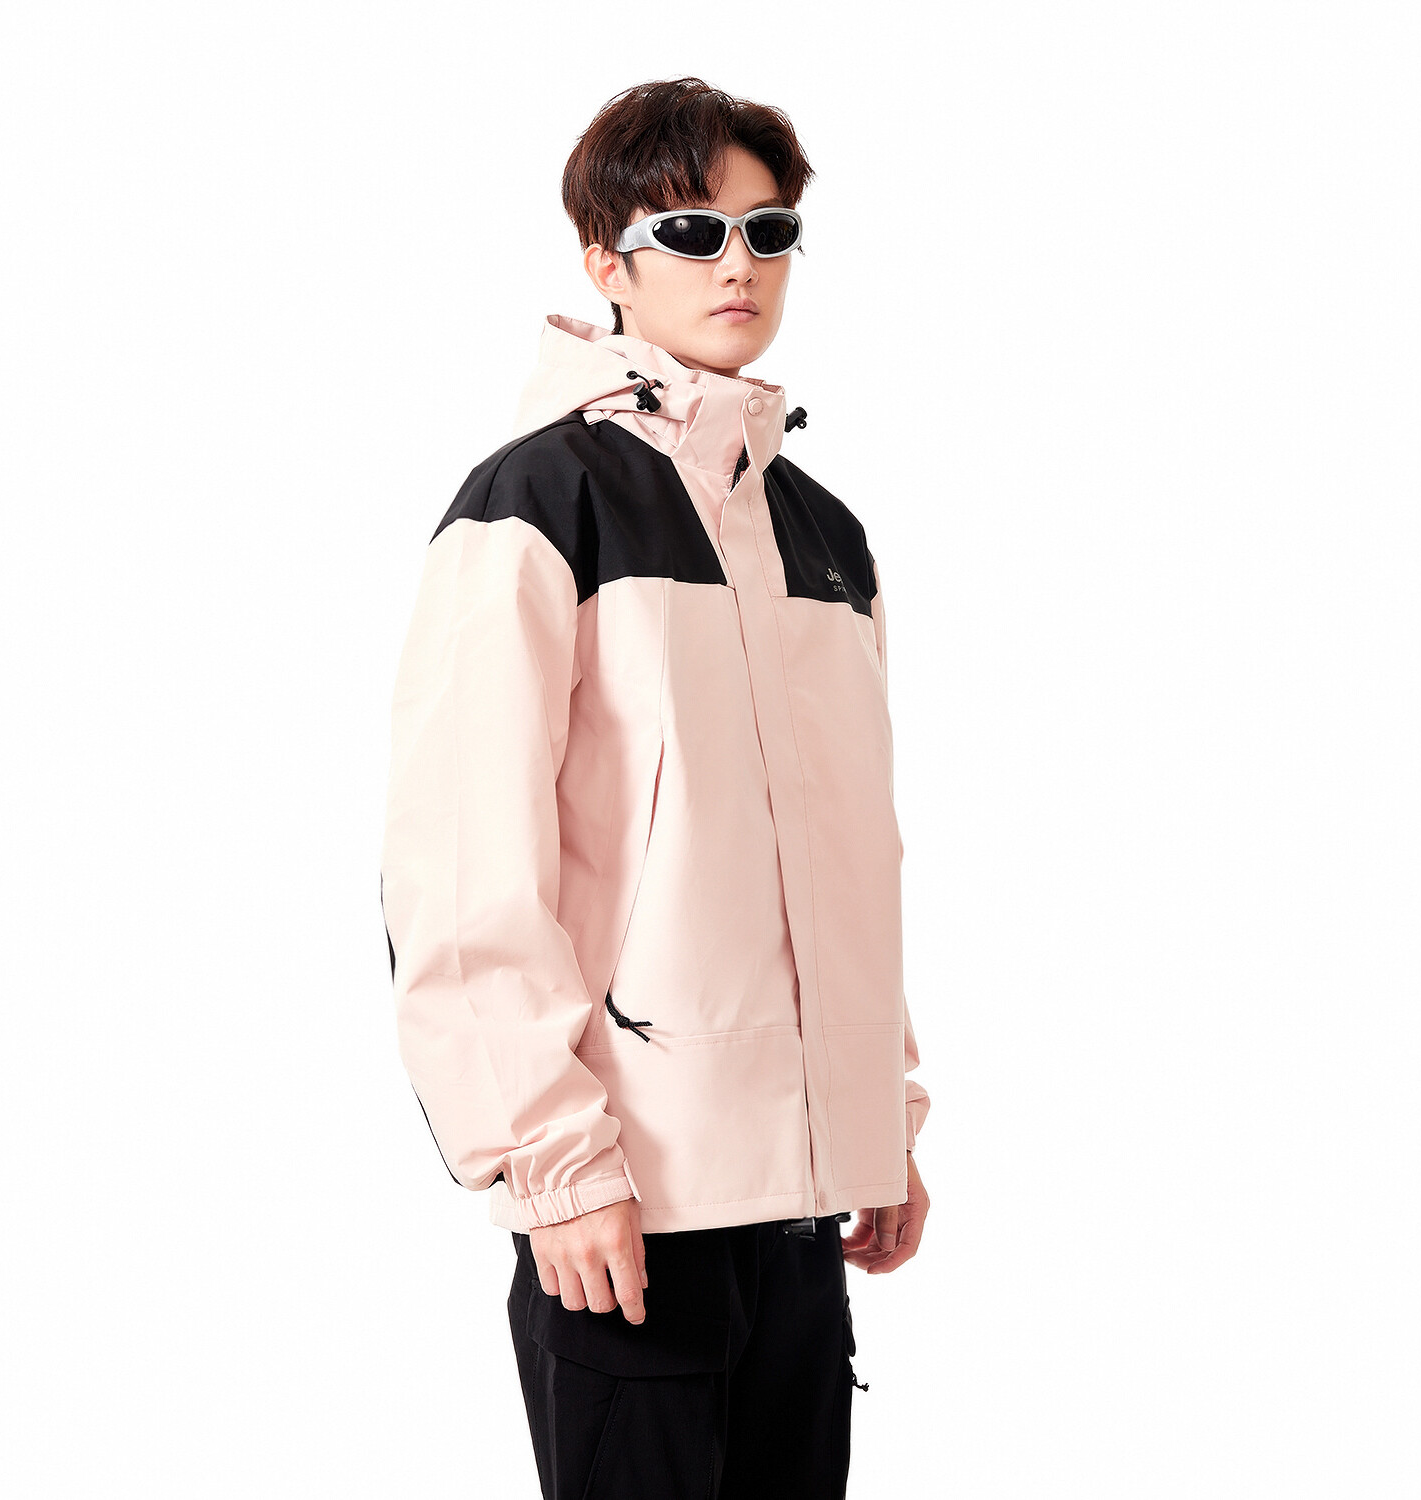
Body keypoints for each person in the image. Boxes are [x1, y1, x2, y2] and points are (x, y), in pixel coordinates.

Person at [379, 76, 931, 1499]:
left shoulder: (825, 534)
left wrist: (877, 1117)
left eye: (768, 228)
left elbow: (849, 858)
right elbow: (460, 871)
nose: (736, 261)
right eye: (689, 230)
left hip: (804, 1212)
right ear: (605, 261)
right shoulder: (534, 505)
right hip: (629, 1200)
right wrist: (553, 1168)